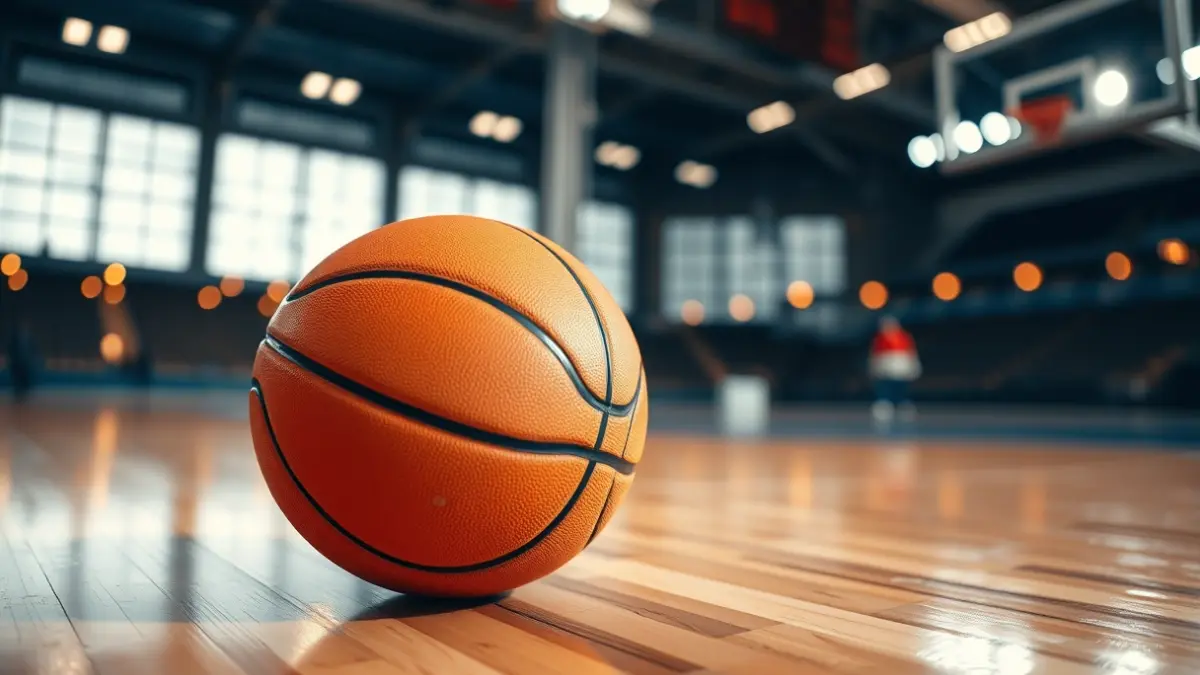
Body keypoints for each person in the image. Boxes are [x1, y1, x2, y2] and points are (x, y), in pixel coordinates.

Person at [868, 316, 921, 424]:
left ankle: (902, 404)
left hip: (901, 368)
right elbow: (875, 354)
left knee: (901, 388)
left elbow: (910, 353)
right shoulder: (880, 339)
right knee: (885, 387)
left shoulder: (904, 337)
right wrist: (875, 366)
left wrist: (913, 366)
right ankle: (885, 404)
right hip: (886, 368)